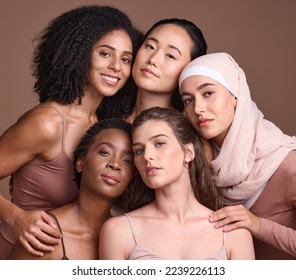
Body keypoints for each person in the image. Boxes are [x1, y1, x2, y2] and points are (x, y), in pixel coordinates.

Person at [0, 5, 143, 259]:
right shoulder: (47, 122)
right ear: (78, 54)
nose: (116, 67)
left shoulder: (105, 126)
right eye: (105, 54)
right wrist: (16, 217)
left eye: (125, 59)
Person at [178, 52, 296, 259]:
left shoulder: (288, 164)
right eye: (188, 100)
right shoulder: (195, 162)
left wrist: (258, 225)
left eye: (208, 93)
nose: (197, 108)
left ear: (236, 96)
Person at [99, 107, 255, 260]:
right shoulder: (118, 231)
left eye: (159, 143)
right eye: (139, 150)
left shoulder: (233, 233)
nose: (147, 156)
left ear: (188, 152)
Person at [7, 118, 135, 260]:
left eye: (127, 161)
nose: (115, 164)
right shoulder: (44, 234)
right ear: (80, 162)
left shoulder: (128, 235)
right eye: (105, 152)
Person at [97, 18, 214, 161]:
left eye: (170, 55)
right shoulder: (101, 117)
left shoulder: (190, 142)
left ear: (188, 70)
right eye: (150, 47)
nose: (153, 59)